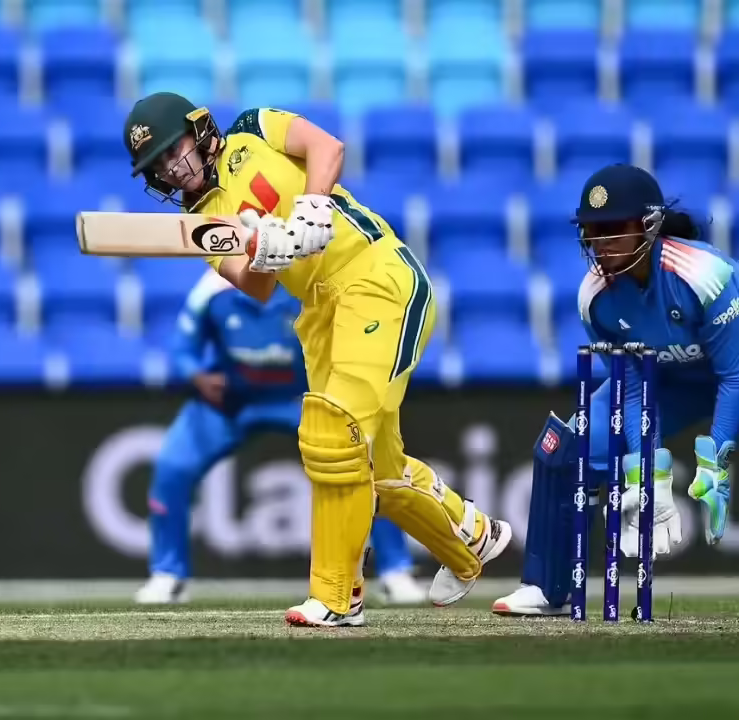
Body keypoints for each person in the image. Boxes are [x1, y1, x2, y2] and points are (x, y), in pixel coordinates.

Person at [123, 92, 512, 626]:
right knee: (377, 468)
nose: (171, 167)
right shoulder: (202, 221)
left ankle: (336, 596)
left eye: (174, 149)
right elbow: (255, 286)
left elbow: (327, 147)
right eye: (158, 164)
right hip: (319, 311)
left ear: (200, 128)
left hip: (373, 277)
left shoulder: (253, 127)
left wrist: (311, 207)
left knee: (334, 433)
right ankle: (472, 537)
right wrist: (267, 251)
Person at [472, 163, 739, 621]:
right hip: (677, 370)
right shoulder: (594, 298)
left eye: (613, 228)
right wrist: (650, 474)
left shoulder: (700, 274)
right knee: (566, 447)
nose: (601, 242)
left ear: (649, 225)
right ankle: (546, 587)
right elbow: (632, 388)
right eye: (592, 230)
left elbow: (736, 374)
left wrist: (716, 462)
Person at [135, 269, 427, 606]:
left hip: (304, 401)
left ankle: (395, 572)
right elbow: (182, 348)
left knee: (366, 469)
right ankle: (167, 575)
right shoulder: (212, 288)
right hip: (229, 403)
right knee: (172, 467)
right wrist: (197, 376)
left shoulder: (315, 284)